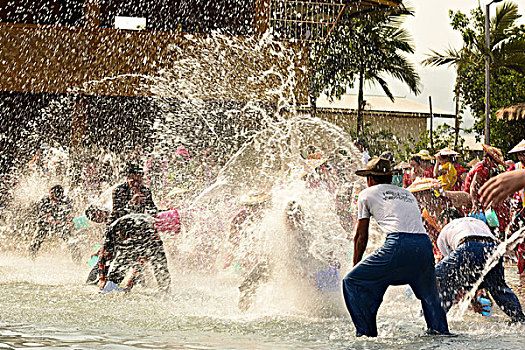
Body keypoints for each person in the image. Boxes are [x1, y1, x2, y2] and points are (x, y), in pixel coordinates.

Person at [342, 157, 449, 337]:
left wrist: (356, 265)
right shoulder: (407, 194)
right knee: (430, 298)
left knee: (352, 282)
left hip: (398, 244)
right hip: (424, 246)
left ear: (369, 179)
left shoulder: (366, 194)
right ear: (391, 178)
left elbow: (361, 236)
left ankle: (366, 335)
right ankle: (442, 334)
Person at [435, 208, 525, 322]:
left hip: (468, 245)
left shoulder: (445, 231)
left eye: (439, 223)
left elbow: (457, 274)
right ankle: (520, 320)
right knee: (498, 288)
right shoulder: (475, 221)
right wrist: (475, 299)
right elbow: (475, 272)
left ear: (445, 220)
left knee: (439, 279)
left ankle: (433, 321)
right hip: (494, 247)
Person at [97, 213, 171, 293]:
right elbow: (104, 256)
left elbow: (141, 262)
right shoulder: (111, 231)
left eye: (129, 238)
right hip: (131, 227)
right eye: (124, 238)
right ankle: (111, 285)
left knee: (159, 266)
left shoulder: (143, 233)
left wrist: (130, 283)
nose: (126, 241)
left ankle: (165, 291)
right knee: (119, 267)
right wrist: (102, 279)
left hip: (152, 241)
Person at [463, 144, 510, 236]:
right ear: (488, 160)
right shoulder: (481, 169)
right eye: (495, 163)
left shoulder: (488, 168)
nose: (496, 165)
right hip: (471, 198)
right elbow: (473, 187)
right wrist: (475, 204)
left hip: (480, 197)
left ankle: (499, 231)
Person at [29, 185, 80, 262]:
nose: (53, 200)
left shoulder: (66, 200)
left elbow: (71, 214)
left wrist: (70, 222)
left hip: (61, 223)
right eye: (51, 196)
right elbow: (48, 217)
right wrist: (60, 222)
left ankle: (77, 260)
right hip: (45, 223)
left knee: (71, 241)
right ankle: (32, 257)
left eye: (55, 198)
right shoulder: (44, 200)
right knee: (37, 240)